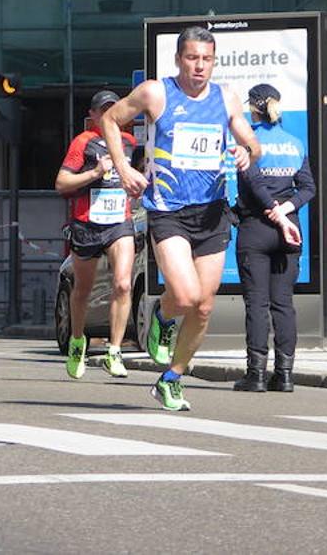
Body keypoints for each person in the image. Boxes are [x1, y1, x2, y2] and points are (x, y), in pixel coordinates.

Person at [101, 26, 261, 412]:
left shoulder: (225, 97)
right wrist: (123, 168)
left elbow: (250, 140)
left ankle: (171, 378)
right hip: (168, 209)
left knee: (204, 306)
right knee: (185, 295)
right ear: (178, 59)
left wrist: (247, 152)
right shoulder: (157, 92)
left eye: (206, 59)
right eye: (192, 58)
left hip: (212, 212)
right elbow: (109, 119)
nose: (199, 66)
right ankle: (162, 316)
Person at [232, 84, 314, 393]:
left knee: (257, 303)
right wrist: (286, 210)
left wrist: (273, 212)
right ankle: (286, 374)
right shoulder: (294, 143)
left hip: (257, 227)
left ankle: (256, 375)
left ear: (253, 108)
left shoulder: (251, 143)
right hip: (290, 230)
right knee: (283, 304)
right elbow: (308, 188)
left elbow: (251, 183)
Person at [55, 89, 138, 380]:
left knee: (123, 284)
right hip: (87, 225)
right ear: (92, 115)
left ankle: (114, 351)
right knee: (82, 291)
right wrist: (94, 173)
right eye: (103, 110)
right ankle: (78, 341)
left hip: (120, 222)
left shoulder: (130, 143)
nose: (108, 115)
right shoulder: (83, 142)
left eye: (114, 109)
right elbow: (62, 182)